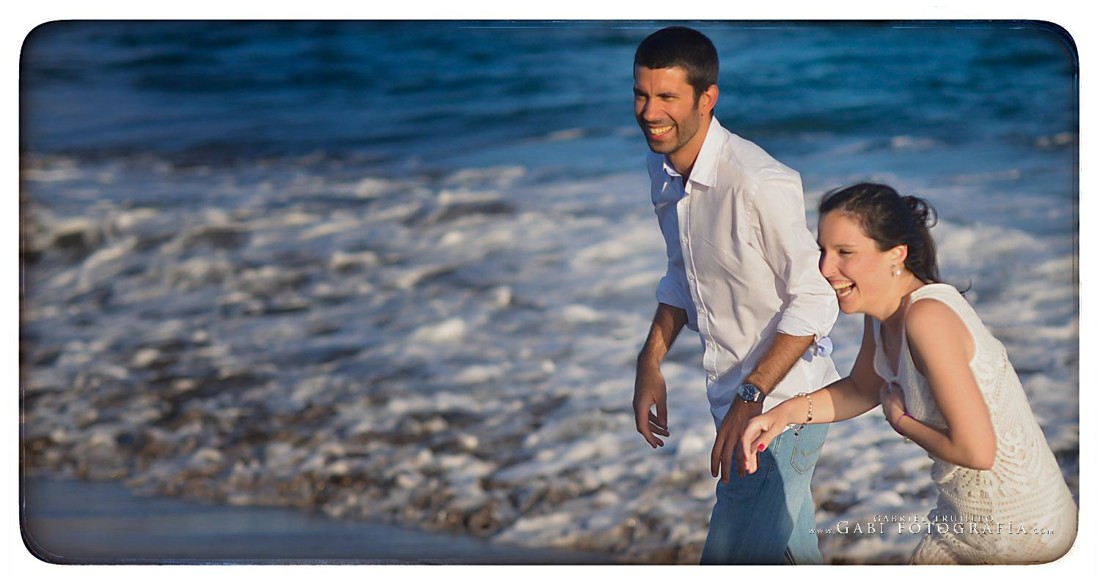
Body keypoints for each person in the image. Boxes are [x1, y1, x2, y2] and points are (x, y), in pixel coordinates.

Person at [740, 182, 1078, 564]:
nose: (825, 268)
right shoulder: (882, 313)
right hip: (964, 519)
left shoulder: (927, 318)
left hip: (1019, 528)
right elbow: (861, 388)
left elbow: (978, 452)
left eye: (844, 253)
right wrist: (781, 415)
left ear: (895, 254)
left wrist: (901, 421)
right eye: (823, 250)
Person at [630, 26, 841, 565]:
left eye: (667, 97)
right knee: (791, 558)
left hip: (779, 409)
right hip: (735, 404)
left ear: (707, 98)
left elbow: (816, 299)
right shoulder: (663, 168)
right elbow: (683, 273)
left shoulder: (757, 181)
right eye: (642, 94)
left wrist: (750, 400)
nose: (650, 112)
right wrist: (651, 358)